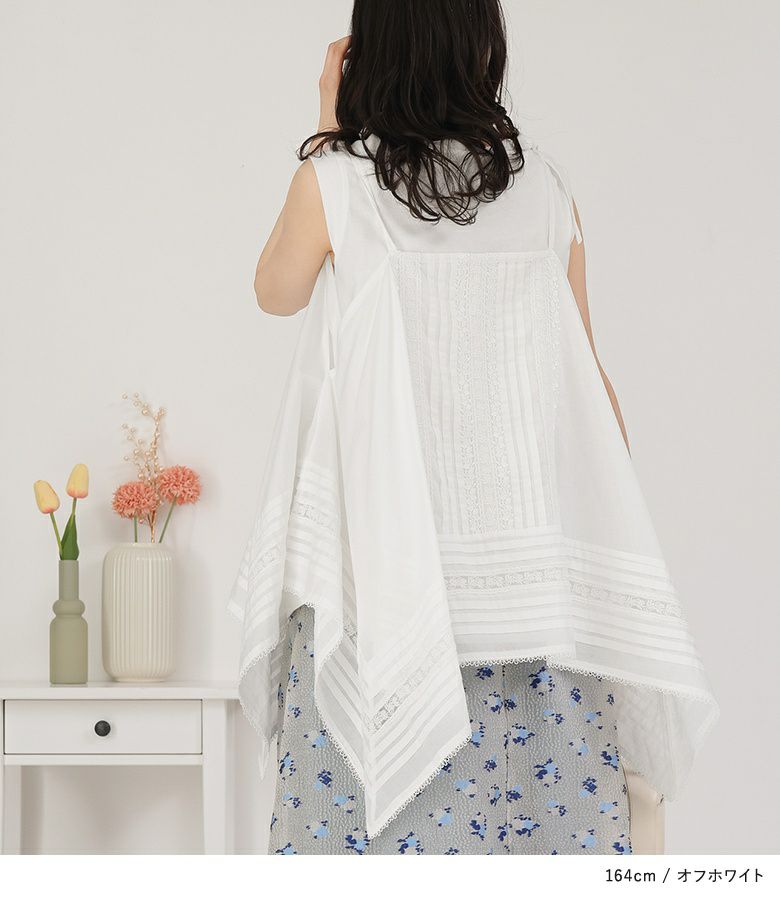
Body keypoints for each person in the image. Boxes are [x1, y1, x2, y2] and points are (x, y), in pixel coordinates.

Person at [229, 0, 718, 856]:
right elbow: (589, 384)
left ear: (371, 52)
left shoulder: (339, 182)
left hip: (380, 584)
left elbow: (276, 291)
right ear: (481, 46)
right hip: (532, 591)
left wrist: (327, 129)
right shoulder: (544, 189)